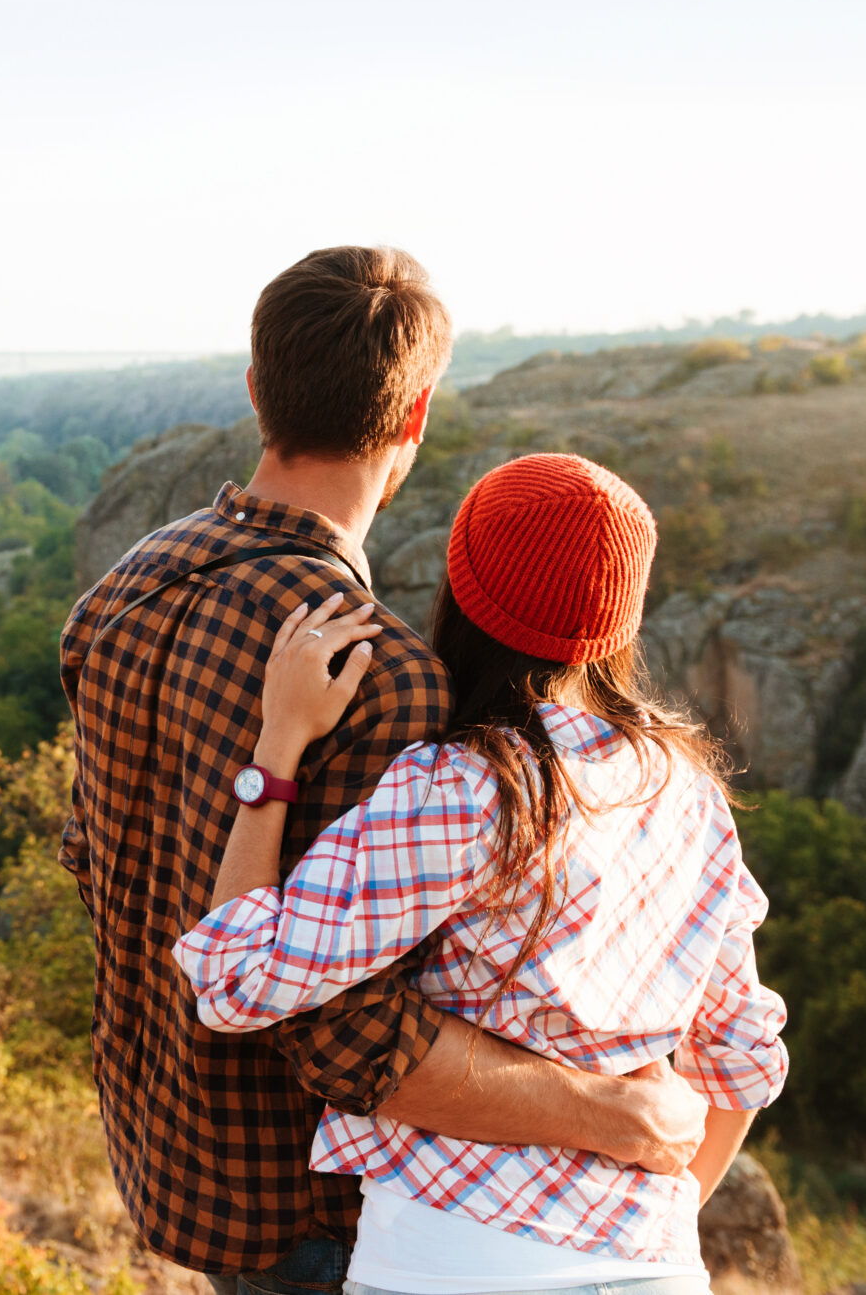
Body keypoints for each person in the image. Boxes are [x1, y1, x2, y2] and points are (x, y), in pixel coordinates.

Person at [60, 247, 711, 1295]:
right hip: (320, 1206)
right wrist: (607, 1111)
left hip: (170, 1150)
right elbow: (344, 1023)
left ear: (256, 389)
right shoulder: (391, 682)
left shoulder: (119, 594)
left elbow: (97, 865)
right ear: (414, 419)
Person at [174, 452, 789, 1295]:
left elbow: (238, 976)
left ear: (460, 593)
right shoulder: (689, 795)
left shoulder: (462, 790)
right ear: (620, 620)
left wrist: (277, 747)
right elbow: (744, 1057)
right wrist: (641, 1231)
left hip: (449, 1261)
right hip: (658, 1268)